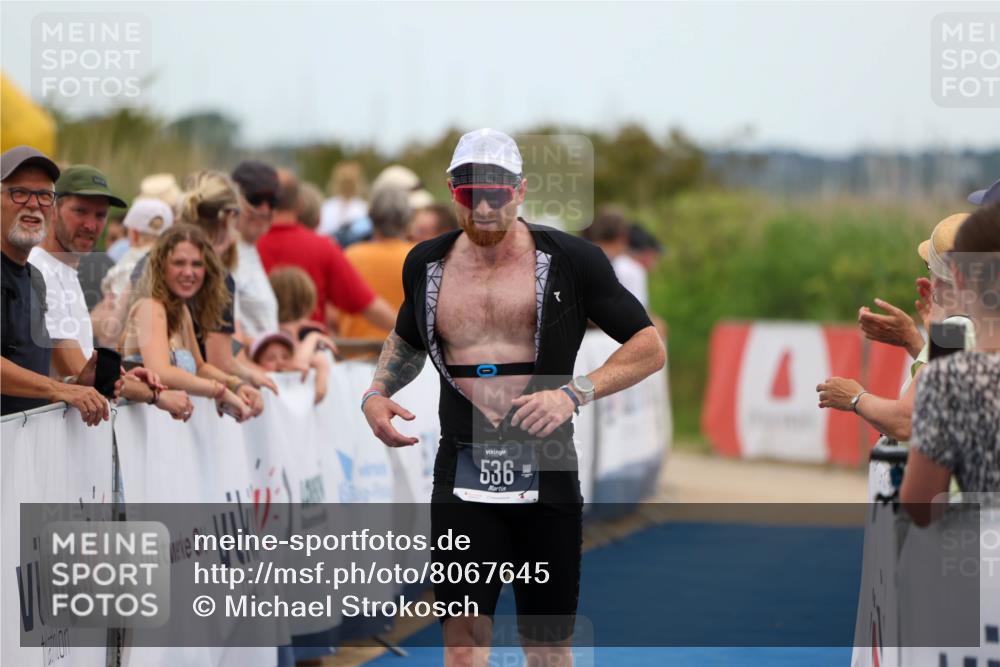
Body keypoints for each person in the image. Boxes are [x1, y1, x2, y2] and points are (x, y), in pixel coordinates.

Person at [361, 129, 665, 666]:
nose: (483, 208)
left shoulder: (572, 259)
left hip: (546, 467)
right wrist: (377, 391)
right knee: (462, 643)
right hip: (462, 467)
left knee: (546, 647)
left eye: (497, 193)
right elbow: (407, 338)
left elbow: (648, 347)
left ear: (520, 191)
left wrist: (573, 393)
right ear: (451, 191)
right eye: (468, 194)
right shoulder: (426, 263)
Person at [27, 164, 181, 417]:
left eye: (100, 215)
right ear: (53, 210)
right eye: (80, 211)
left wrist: (127, 373)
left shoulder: (63, 269)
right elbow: (82, 374)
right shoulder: (40, 270)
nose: (90, 224)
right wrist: (156, 395)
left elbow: (88, 370)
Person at [817, 213, 974, 442]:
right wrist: (914, 342)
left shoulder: (956, 329)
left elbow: (907, 421)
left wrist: (855, 398)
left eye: (928, 265)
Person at [901, 203, 1000, 523]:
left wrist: (855, 399)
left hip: (975, 542)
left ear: (957, 276)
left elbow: (921, 502)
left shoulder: (949, 370)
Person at [0, 146, 109, 425]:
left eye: (44, 196)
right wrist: (58, 389)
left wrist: (76, 383)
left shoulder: (35, 278)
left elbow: (30, 371)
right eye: (19, 193)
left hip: (30, 443)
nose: (34, 204)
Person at [120, 224, 252, 422]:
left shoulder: (181, 311)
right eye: (179, 263)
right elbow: (161, 372)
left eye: (197, 264)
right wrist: (219, 391)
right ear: (161, 265)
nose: (189, 272)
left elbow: (200, 368)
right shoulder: (150, 307)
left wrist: (236, 385)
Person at [172, 169, 273, 413]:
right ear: (229, 218)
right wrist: (242, 381)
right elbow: (221, 361)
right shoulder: (216, 278)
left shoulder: (156, 259)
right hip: (185, 403)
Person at [256, 169, 397, 333]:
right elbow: (368, 304)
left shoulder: (248, 246)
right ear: (299, 204)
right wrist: (414, 334)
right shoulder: (322, 247)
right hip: (310, 344)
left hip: (253, 345)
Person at [340, 186, 413, 341]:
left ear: (371, 216)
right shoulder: (417, 257)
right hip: (403, 352)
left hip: (354, 351)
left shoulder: (350, 256)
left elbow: (333, 316)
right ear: (407, 218)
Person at [230, 160, 279, 341]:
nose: (264, 210)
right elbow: (227, 336)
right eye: (255, 199)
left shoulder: (248, 249)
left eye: (272, 202)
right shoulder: (227, 255)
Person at [318, 161, 368, 239]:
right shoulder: (327, 207)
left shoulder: (364, 208)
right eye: (345, 182)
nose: (347, 186)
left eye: (350, 182)